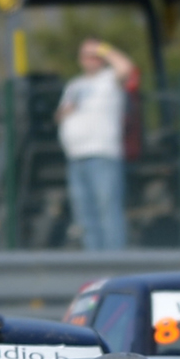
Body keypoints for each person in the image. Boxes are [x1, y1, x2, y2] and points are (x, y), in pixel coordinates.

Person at [54, 38, 134, 251]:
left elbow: (126, 67)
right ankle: (93, 261)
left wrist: (103, 48)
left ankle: (113, 260)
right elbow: (60, 114)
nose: (90, 60)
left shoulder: (109, 80)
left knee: (107, 209)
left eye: (94, 57)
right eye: (86, 56)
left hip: (102, 154)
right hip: (75, 156)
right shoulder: (74, 84)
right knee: (84, 214)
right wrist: (65, 113)